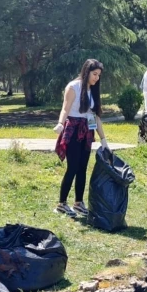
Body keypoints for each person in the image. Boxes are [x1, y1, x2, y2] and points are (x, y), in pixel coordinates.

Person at [53, 59, 110, 217]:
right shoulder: (73, 87)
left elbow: (95, 117)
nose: (96, 78)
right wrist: (60, 123)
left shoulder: (92, 90)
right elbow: (65, 108)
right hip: (73, 129)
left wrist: (103, 140)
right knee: (73, 167)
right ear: (86, 72)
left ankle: (78, 202)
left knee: (83, 168)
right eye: (94, 74)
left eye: (99, 75)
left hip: (86, 132)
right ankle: (61, 204)